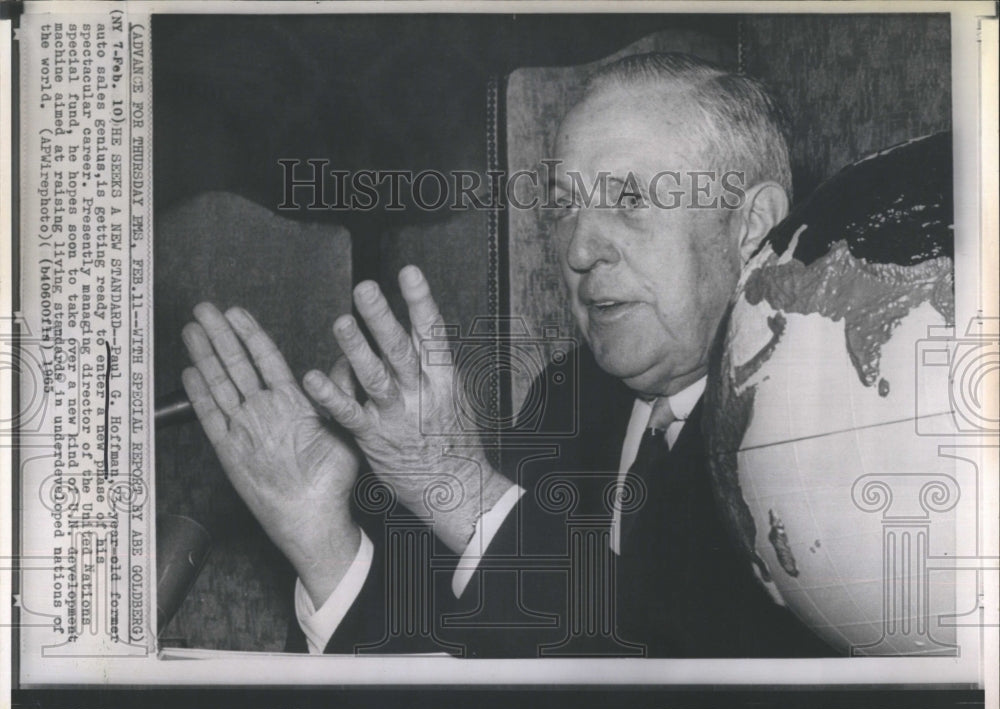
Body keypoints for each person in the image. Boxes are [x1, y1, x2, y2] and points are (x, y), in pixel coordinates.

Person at [181, 53, 836, 657]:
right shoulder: (574, 394)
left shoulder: (812, 432)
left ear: (751, 225)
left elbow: (676, 702)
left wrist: (466, 494)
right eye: (564, 207)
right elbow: (457, 678)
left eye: (629, 199)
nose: (579, 250)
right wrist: (320, 537)